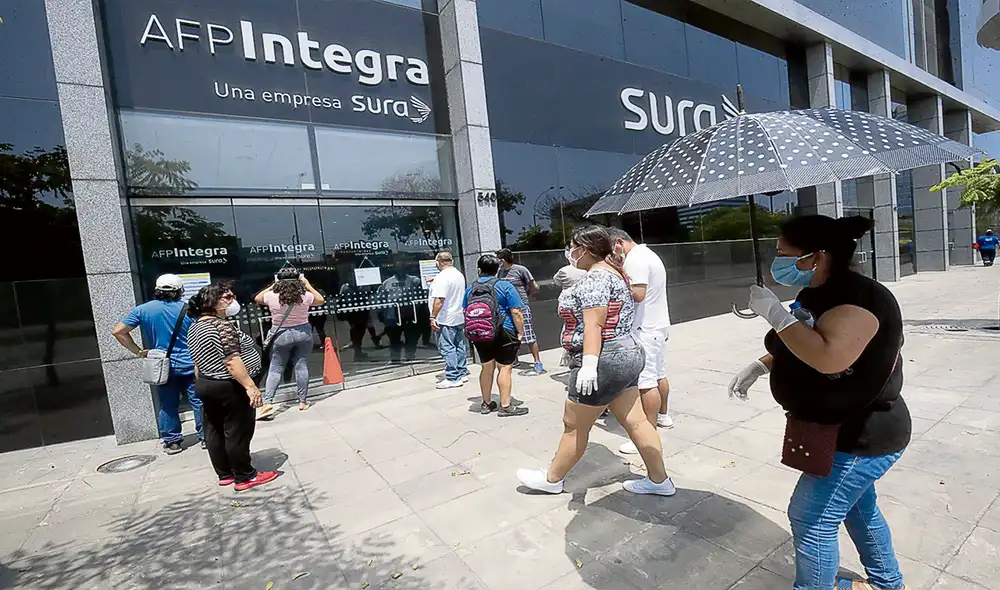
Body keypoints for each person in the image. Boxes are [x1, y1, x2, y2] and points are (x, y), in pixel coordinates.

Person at [728, 215, 910, 590]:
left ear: (817, 256)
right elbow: (799, 340)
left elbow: (830, 355)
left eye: (784, 253)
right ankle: (888, 583)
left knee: (811, 517)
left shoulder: (861, 298)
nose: (776, 260)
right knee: (859, 508)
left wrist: (775, 314)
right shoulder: (816, 291)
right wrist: (762, 366)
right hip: (834, 427)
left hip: (865, 433)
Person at [516, 226, 676, 496]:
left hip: (604, 356)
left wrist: (589, 366)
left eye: (573, 246)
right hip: (626, 352)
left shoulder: (595, 278)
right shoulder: (616, 272)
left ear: (586, 250)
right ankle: (660, 481)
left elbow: (594, 325)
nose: (570, 252)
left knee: (574, 424)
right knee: (636, 421)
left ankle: (552, 479)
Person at [187, 282, 278, 492]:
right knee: (237, 431)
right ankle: (245, 476)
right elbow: (231, 360)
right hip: (228, 386)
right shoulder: (222, 326)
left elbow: (198, 360)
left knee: (215, 429)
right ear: (214, 303)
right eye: (227, 297)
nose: (233, 300)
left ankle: (225, 473)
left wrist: (201, 381)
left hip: (207, 383)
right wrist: (250, 387)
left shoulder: (196, 325)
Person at [113, 274, 203, 455]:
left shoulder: (143, 310)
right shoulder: (189, 310)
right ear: (180, 291)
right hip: (191, 363)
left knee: (168, 404)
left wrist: (138, 351)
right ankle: (206, 437)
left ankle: (172, 441)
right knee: (199, 401)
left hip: (162, 366)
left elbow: (118, 331)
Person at [608, 229, 674, 458]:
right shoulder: (649, 255)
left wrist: (615, 283)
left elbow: (638, 294)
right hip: (657, 324)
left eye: (612, 249)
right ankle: (664, 416)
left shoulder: (635, 259)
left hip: (645, 328)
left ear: (619, 242)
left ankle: (648, 432)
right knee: (658, 374)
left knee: (646, 383)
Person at [463, 254, 529, 417]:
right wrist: (520, 333)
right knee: (505, 368)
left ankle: (486, 403)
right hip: (504, 331)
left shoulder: (470, 288)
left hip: (480, 332)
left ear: (479, 269)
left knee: (486, 367)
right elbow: (516, 312)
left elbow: (465, 311)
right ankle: (505, 406)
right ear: (497, 268)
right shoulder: (505, 286)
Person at [254, 268, 325, 415]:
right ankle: (303, 401)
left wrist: (274, 284)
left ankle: (268, 402)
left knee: (275, 368)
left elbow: (257, 298)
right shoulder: (305, 295)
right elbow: (321, 300)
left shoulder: (272, 296)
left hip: (281, 334)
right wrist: (307, 283)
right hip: (303, 332)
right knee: (301, 366)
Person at [496, 248, 544, 374]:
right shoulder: (500, 272)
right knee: (509, 334)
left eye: (499, 259)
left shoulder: (520, 270)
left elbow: (534, 286)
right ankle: (514, 360)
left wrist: (526, 296)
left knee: (528, 334)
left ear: (503, 260)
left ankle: (537, 362)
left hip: (520, 306)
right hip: (506, 308)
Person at [429, 252, 469, 389]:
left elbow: (440, 300)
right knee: (459, 345)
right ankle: (462, 372)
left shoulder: (442, 278)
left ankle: (453, 377)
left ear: (438, 263)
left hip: (445, 318)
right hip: (458, 316)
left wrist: (433, 317)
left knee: (447, 347)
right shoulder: (458, 274)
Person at [378, 266, 423, 363]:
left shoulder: (413, 280)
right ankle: (395, 359)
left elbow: (420, 295)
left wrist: (417, 310)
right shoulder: (387, 283)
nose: (400, 270)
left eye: (402, 267)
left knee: (411, 337)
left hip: (410, 314)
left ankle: (410, 356)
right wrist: (383, 315)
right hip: (393, 315)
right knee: (394, 338)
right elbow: (382, 300)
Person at [553, 245, 587, 367]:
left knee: (570, 327)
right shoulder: (587, 270)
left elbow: (556, 281)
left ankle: (570, 352)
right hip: (583, 302)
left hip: (568, 303)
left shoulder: (564, 270)